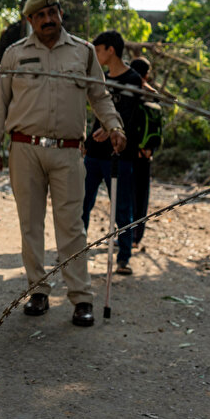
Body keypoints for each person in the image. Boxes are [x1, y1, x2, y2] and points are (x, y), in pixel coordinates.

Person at [0, 0, 125, 328]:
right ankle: (38, 291)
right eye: (40, 15)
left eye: (53, 13)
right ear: (30, 20)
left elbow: (99, 95)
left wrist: (115, 126)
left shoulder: (84, 52)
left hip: (68, 150)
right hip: (24, 149)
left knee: (72, 226)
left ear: (61, 14)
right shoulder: (14, 55)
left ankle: (81, 298)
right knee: (30, 225)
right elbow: (0, 103)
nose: (48, 20)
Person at [80, 31, 141, 275]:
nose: (95, 56)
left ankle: (123, 257)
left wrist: (112, 129)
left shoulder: (133, 79)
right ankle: (76, 253)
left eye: (98, 50)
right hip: (94, 153)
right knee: (82, 203)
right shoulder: (102, 78)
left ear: (111, 50)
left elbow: (127, 113)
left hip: (119, 154)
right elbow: (97, 110)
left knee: (121, 207)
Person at [128, 57, 160, 248]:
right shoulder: (153, 95)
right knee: (140, 197)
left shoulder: (130, 92)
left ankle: (130, 236)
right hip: (145, 154)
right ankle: (135, 236)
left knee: (129, 196)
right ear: (147, 74)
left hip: (132, 152)